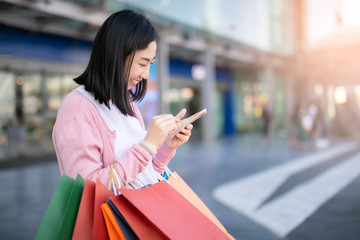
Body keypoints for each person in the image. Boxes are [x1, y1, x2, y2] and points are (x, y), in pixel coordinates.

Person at [52, 9, 193, 188]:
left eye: (150, 64)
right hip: (111, 216)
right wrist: (147, 146)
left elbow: (145, 175)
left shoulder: (128, 104)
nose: (146, 74)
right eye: (142, 63)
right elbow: (85, 191)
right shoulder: (77, 108)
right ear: (116, 54)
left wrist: (166, 146)